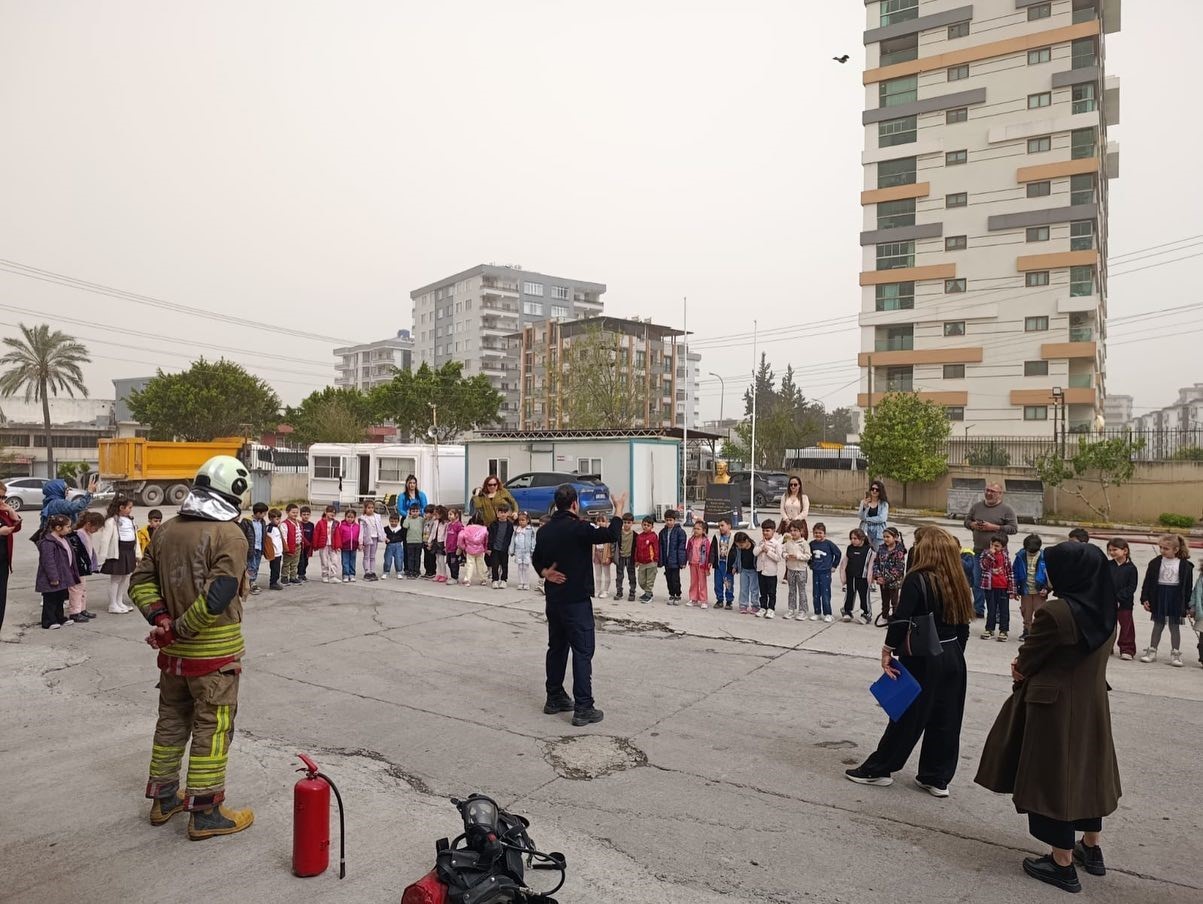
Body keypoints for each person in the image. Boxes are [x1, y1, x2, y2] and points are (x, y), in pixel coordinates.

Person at [975, 541, 1121, 894]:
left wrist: (1018, 668)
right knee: (1086, 774)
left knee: (1053, 781)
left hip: (1054, 707)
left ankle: (1061, 862)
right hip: (1091, 704)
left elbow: (1028, 659)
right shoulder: (1105, 608)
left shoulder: (1057, 613)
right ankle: (1091, 846)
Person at [128, 454, 255, 840]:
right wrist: (180, 628)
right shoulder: (230, 534)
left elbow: (140, 583)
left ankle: (164, 799)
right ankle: (205, 811)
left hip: (174, 661)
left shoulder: (165, 530)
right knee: (212, 729)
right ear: (234, 490)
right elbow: (218, 596)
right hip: (214, 660)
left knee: (170, 723)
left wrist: (162, 621)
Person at [846, 527, 972, 797]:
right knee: (946, 718)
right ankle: (936, 777)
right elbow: (964, 625)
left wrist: (887, 650)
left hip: (924, 656)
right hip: (952, 655)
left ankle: (880, 768)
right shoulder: (958, 578)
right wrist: (956, 653)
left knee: (907, 715)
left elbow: (901, 619)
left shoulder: (917, 579)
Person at [532, 486, 627, 727]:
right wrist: (619, 509)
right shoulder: (580, 528)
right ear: (574, 504)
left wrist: (545, 572)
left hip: (554, 599)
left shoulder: (544, 531)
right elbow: (612, 534)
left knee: (557, 647)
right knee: (583, 652)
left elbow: (536, 558)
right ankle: (584, 707)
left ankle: (554, 697)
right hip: (576, 601)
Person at [964, 483, 1019, 618]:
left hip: (998, 556)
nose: (989, 493)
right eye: (987, 490)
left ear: (1000, 494)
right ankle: (979, 609)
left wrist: (993, 527)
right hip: (978, 552)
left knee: (997, 584)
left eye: (993, 491)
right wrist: (973, 524)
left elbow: (1013, 528)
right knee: (977, 583)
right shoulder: (977, 506)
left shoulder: (1007, 509)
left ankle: (998, 613)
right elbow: (966, 521)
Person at [1138, 533, 1193, 667]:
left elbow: (1187, 587)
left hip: (1175, 596)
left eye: (1166, 548)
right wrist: (1145, 598)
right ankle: (1152, 650)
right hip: (1160, 595)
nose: (1162, 550)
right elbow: (1148, 581)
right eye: (1160, 547)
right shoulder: (1155, 562)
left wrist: (1187, 604)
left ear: (1176, 549)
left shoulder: (1185, 565)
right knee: (1158, 624)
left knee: (1174, 626)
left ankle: (1175, 653)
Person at [98, 495, 140, 614]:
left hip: (129, 551)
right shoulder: (111, 521)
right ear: (121, 507)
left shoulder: (131, 520)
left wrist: (138, 553)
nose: (130, 510)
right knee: (116, 579)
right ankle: (112, 604)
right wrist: (102, 558)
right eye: (129, 507)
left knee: (124, 578)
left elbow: (135, 537)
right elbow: (105, 540)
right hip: (118, 553)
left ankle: (119, 601)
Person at [38, 513, 79, 629]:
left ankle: (59, 617)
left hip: (63, 574)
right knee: (51, 599)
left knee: (60, 598)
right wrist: (53, 577)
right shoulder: (48, 543)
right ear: (58, 528)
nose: (70, 529)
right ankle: (48, 621)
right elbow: (48, 562)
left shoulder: (64, 539)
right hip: (52, 577)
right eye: (68, 527)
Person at [66, 510, 104, 622]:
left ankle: (82, 609)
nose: (96, 531)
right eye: (95, 528)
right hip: (77, 567)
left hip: (83, 567)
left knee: (82, 589)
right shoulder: (79, 534)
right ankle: (75, 612)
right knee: (76, 589)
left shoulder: (87, 533)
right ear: (88, 524)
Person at [979, 534, 1017, 642]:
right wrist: (991, 554)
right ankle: (989, 629)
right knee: (991, 609)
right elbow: (983, 566)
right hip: (990, 587)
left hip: (1003, 587)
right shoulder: (986, 554)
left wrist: (1012, 590)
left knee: (1004, 610)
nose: (993, 548)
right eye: (992, 545)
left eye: (996, 546)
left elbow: (1010, 572)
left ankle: (1003, 630)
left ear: (1003, 547)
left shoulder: (1005, 556)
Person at [1106, 538, 1138, 660]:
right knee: (1108, 625)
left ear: (1125, 551)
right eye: (1110, 550)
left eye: (1115, 549)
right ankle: (1107, 647)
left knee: (1126, 626)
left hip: (1125, 603)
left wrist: (1119, 598)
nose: (1112, 552)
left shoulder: (1131, 568)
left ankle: (1127, 649)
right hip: (1108, 601)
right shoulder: (1108, 565)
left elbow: (1132, 587)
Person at [1014, 534, 1050, 641]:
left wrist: (1047, 588)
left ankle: (1038, 632)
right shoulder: (1020, 556)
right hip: (1025, 590)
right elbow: (1015, 572)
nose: (1030, 553)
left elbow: (1050, 575)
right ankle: (1027, 631)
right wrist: (1014, 588)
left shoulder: (1045, 557)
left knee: (1040, 612)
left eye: (1033, 552)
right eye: (1028, 551)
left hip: (1040, 591)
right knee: (1026, 612)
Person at [0, 484, 23, 632]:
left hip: (3, 561)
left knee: (1, 598)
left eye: (4, 497)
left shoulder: (3, 511)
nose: (2, 500)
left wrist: (14, 515)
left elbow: (15, 528)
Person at [839, 527, 874, 624]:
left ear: (862, 539)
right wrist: (843, 577)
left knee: (864, 597)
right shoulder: (849, 548)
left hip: (863, 578)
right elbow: (845, 562)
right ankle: (847, 611)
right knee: (849, 595)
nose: (852, 540)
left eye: (855, 538)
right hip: (851, 577)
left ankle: (867, 614)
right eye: (851, 538)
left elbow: (872, 565)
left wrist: (872, 579)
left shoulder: (869, 550)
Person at [872, 526, 906, 625]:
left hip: (894, 582)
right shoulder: (882, 548)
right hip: (882, 581)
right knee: (884, 600)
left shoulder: (899, 551)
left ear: (895, 537)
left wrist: (886, 579)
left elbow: (899, 568)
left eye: (888, 537)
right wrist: (878, 576)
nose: (885, 539)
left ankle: (895, 619)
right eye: (884, 537)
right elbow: (876, 563)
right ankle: (884, 616)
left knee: (895, 602)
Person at [809, 523, 841, 623]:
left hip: (825, 572)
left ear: (824, 534)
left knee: (825, 593)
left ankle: (828, 613)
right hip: (816, 571)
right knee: (816, 594)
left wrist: (834, 565)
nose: (818, 535)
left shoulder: (829, 544)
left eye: (820, 533)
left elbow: (838, 553)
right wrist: (810, 564)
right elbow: (808, 554)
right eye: (816, 533)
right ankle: (817, 612)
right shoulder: (812, 544)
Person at [781, 519, 811, 620]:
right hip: (791, 569)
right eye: (791, 530)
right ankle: (791, 609)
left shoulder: (804, 543)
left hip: (801, 570)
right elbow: (783, 552)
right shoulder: (788, 542)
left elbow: (808, 556)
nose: (793, 533)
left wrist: (798, 556)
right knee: (791, 590)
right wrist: (786, 556)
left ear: (801, 531)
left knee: (802, 591)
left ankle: (803, 611)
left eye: (795, 530)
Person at [753, 519, 782, 619]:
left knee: (771, 592)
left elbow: (778, 558)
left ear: (773, 531)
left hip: (771, 572)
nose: (765, 533)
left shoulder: (776, 544)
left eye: (767, 530)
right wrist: (761, 548)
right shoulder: (761, 542)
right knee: (763, 591)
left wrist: (768, 551)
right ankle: (763, 607)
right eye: (763, 531)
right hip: (761, 570)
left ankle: (771, 609)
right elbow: (755, 553)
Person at [658, 510, 687, 605]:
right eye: (667, 520)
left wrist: (682, 561)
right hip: (667, 561)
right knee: (668, 579)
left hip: (675, 561)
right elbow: (661, 547)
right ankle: (671, 594)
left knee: (675, 579)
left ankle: (677, 595)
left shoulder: (680, 532)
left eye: (670, 520)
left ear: (674, 520)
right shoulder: (662, 532)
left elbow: (682, 548)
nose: (668, 522)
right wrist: (660, 560)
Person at [709, 517, 736, 611]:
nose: (720, 528)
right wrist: (711, 561)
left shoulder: (734, 537)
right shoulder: (716, 536)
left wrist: (735, 565)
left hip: (728, 565)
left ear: (729, 526)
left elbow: (736, 552)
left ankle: (729, 601)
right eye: (719, 526)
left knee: (728, 583)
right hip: (719, 564)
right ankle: (719, 600)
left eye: (722, 525)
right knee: (718, 583)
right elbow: (712, 549)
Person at [240, 502, 268, 594]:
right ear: (258, 513)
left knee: (256, 566)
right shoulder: (246, 521)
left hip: (259, 548)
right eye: (264, 513)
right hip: (250, 548)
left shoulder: (262, 522)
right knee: (251, 566)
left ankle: (252, 582)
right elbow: (242, 534)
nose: (265, 515)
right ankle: (250, 584)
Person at [857, 480, 889, 551]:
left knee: (878, 552)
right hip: (865, 529)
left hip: (879, 532)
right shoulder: (864, 502)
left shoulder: (884, 504)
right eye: (872, 489)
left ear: (880, 491)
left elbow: (882, 518)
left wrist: (867, 519)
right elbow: (861, 517)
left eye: (877, 490)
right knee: (864, 551)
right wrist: (864, 507)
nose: (874, 491)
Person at [488, 505, 515, 589]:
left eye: (505, 512)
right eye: (501, 512)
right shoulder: (493, 524)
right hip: (495, 548)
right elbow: (490, 537)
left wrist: (511, 549)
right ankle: (495, 580)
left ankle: (504, 580)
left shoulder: (510, 525)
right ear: (497, 513)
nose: (503, 514)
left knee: (504, 565)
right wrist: (488, 548)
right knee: (494, 565)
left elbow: (511, 537)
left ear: (508, 513)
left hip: (504, 549)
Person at [458, 515, 489, 587]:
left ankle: (467, 579)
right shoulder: (484, 529)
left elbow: (460, 537)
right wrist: (485, 548)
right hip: (480, 549)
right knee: (480, 564)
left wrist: (463, 547)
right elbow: (486, 540)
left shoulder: (466, 528)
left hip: (469, 549)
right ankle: (483, 579)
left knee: (470, 564)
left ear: (471, 521)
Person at [686, 520, 710, 608]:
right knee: (693, 582)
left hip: (702, 565)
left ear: (704, 531)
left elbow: (707, 554)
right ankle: (693, 599)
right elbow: (687, 550)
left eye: (698, 529)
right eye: (694, 528)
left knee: (702, 583)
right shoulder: (691, 540)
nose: (696, 530)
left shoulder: (705, 541)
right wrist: (686, 560)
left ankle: (704, 600)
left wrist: (707, 567)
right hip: (692, 564)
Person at [634, 516, 659, 603]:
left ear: (652, 527)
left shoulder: (653, 536)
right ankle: (648, 592)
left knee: (649, 580)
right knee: (641, 581)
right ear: (641, 525)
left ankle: (648, 595)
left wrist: (656, 559)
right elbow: (637, 549)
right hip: (641, 562)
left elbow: (656, 548)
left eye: (648, 525)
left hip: (651, 562)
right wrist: (636, 560)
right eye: (644, 525)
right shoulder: (639, 537)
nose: (645, 527)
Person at [358, 499, 384, 582]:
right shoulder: (363, 518)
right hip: (367, 539)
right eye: (369, 508)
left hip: (375, 537)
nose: (371, 509)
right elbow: (361, 531)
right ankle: (367, 571)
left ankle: (372, 571)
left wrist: (383, 536)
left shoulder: (377, 516)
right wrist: (360, 542)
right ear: (365, 508)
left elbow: (380, 528)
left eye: (372, 507)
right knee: (366, 556)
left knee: (373, 556)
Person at [589, 513, 614, 599]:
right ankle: (597, 589)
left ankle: (605, 590)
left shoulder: (608, 533)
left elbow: (611, 547)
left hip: (605, 554)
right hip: (596, 554)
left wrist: (609, 556)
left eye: (603, 521)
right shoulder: (594, 532)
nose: (600, 523)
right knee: (597, 574)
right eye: (598, 521)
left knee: (606, 574)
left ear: (606, 522)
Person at [614, 512, 637, 602]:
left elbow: (637, 547)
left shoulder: (635, 535)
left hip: (630, 558)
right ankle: (619, 592)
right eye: (625, 522)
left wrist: (637, 559)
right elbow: (614, 545)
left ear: (632, 523)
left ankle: (632, 592)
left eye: (628, 522)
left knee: (631, 576)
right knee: (619, 576)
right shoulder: (618, 533)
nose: (626, 524)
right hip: (620, 557)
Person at [510, 511, 536, 591]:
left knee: (526, 567)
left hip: (527, 551)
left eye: (523, 520)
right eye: (520, 520)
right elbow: (513, 540)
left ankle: (526, 582)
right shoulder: (517, 529)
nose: (521, 522)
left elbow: (533, 540)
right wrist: (512, 550)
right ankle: (521, 582)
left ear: (527, 520)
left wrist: (532, 549)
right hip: (518, 551)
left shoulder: (530, 529)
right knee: (520, 567)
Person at [313, 506, 339, 583]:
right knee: (324, 561)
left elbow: (337, 535)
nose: (332, 514)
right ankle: (325, 575)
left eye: (334, 512)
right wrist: (315, 545)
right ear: (326, 512)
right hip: (323, 545)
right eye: (330, 512)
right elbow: (316, 534)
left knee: (335, 560)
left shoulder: (336, 523)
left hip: (333, 545)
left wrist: (338, 546)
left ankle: (333, 576)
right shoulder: (320, 523)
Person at [335, 508, 359, 582]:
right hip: (345, 547)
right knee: (345, 561)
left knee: (352, 561)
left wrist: (360, 544)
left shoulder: (357, 526)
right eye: (348, 517)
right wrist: (338, 545)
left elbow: (359, 536)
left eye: (352, 517)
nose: (350, 519)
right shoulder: (342, 526)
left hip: (354, 547)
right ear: (345, 517)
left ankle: (352, 574)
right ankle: (345, 574)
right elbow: (339, 536)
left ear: (354, 518)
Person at [281, 504, 302, 586]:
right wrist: (285, 547)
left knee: (295, 562)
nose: (295, 514)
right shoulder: (284, 524)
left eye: (297, 512)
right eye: (293, 512)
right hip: (289, 546)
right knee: (287, 562)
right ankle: (284, 577)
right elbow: (284, 537)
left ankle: (293, 577)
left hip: (298, 545)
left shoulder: (298, 523)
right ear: (287, 512)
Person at [402, 503, 424, 579]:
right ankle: (410, 571)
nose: (415, 513)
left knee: (417, 557)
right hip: (410, 542)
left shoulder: (421, 519)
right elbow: (405, 526)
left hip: (419, 542)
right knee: (410, 557)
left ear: (419, 511)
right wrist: (408, 517)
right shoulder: (408, 519)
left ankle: (416, 571)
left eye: (417, 511)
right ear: (410, 512)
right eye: (413, 511)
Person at [265, 509, 284, 590]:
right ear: (270, 519)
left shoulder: (277, 528)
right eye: (276, 519)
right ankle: (273, 583)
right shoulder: (270, 529)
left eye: (279, 518)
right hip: (274, 553)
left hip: (279, 552)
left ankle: (275, 581)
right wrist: (272, 552)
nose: (278, 520)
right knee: (275, 569)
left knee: (277, 568)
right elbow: (269, 542)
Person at [430, 505, 450, 584]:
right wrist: (429, 540)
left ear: (442, 514)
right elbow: (432, 532)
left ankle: (444, 574)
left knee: (442, 560)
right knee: (437, 559)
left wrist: (445, 545)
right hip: (435, 541)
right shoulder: (435, 522)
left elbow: (446, 535)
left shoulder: (445, 523)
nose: (435, 516)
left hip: (441, 542)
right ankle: (438, 573)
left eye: (437, 514)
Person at [382, 513, 405, 579]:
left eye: (395, 521)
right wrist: (385, 539)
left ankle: (399, 572)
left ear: (398, 521)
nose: (393, 523)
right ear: (389, 520)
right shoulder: (386, 528)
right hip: (389, 545)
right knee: (387, 559)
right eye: (392, 521)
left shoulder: (401, 529)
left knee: (399, 559)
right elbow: (383, 535)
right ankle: (386, 572)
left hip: (398, 545)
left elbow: (403, 537)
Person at [445, 508, 464, 584]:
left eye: (451, 514)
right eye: (448, 514)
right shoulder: (449, 525)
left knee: (454, 563)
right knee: (449, 562)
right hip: (449, 548)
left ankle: (455, 577)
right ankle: (453, 576)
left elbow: (461, 536)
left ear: (456, 515)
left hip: (455, 549)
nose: (449, 516)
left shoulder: (459, 525)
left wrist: (460, 547)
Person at [297, 506, 314, 583]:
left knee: (306, 561)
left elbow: (313, 535)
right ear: (300, 515)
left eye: (307, 514)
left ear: (310, 515)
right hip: (301, 546)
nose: (306, 516)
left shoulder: (311, 525)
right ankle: (300, 574)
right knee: (301, 561)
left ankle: (303, 574)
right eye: (304, 514)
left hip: (308, 547)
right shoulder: (298, 524)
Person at [421, 504, 438, 578]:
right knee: (426, 558)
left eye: (427, 513)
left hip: (430, 542)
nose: (426, 514)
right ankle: (427, 571)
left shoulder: (434, 522)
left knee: (432, 558)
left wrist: (430, 543)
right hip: (424, 541)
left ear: (432, 513)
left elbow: (433, 533)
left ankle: (432, 572)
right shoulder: (425, 521)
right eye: (425, 513)